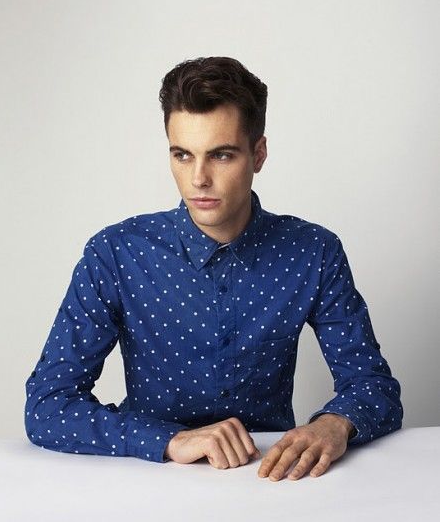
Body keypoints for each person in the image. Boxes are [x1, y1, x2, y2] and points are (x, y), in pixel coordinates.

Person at [24, 56, 403, 482]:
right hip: (149, 482)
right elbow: (47, 406)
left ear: (258, 154)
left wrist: (335, 424)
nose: (199, 179)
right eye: (182, 155)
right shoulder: (116, 254)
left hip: (270, 482)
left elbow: (374, 386)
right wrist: (168, 440)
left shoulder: (312, 252)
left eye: (221, 155)